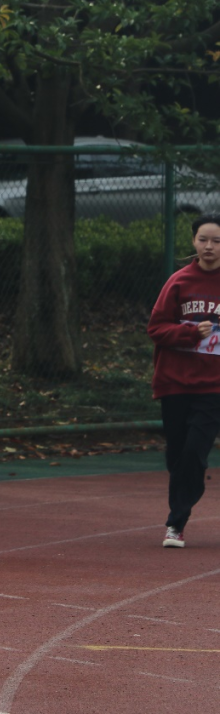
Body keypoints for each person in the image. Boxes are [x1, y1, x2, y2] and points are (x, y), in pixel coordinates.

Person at [147, 213, 220, 548]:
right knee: (177, 454)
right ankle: (185, 489)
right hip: (175, 381)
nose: (209, 246)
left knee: (194, 451)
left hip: (213, 385)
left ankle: (175, 524)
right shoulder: (178, 281)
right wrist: (190, 334)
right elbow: (156, 329)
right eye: (203, 239)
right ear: (194, 241)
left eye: (216, 241)